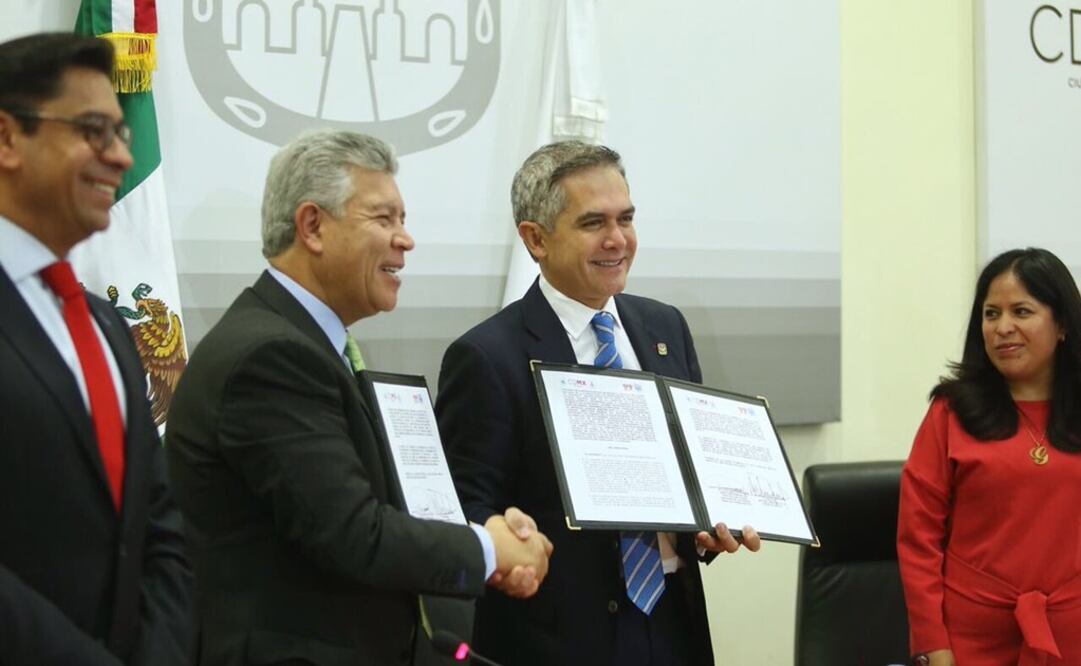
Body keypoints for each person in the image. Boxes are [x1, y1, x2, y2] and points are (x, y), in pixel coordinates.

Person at [165, 129, 553, 665]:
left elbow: (367, 504)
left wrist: (480, 529)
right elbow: (353, 533)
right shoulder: (271, 357)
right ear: (313, 226)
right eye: (383, 218)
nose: (405, 239)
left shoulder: (309, 342)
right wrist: (488, 551)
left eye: (403, 220)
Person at [435, 141, 761, 666]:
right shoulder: (486, 356)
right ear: (535, 239)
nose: (618, 240)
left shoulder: (665, 328)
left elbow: (694, 474)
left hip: (674, 627)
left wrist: (707, 526)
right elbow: (463, 510)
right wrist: (507, 540)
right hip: (558, 640)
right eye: (593, 223)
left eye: (626, 218)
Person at [0, 33, 192, 665]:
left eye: (121, 133)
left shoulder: (109, 324)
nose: (120, 158)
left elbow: (158, 519)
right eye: (93, 131)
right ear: (6, 138)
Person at [898, 247, 1081, 665]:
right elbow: (918, 539)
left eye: (1022, 311)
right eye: (991, 314)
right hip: (969, 641)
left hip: (1071, 633)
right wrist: (933, 645)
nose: (1003, 328)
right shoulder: (951, 410)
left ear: (1063, 325)